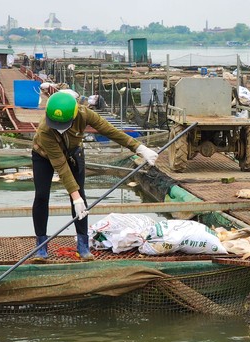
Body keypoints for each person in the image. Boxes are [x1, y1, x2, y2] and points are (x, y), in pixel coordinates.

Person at [31, 90, 159, 261]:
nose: (60, 130)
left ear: (75, 114)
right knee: (41, 196)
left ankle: (82, 244)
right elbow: (60, 165)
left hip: (74, 153)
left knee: (80, 197)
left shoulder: (84, 114)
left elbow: (110, 131)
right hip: (44, 156)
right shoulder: (45, 130)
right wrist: (74, 196)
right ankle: (41, 246)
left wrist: (139, 148)